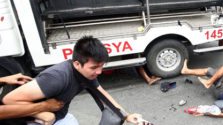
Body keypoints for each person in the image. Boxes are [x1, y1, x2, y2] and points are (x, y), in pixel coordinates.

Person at [3, 36, 146, 125]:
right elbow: (9, 100)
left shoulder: (86, 74)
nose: (99, 72)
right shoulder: (57, 78)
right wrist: (42, 112)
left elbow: (103, 95)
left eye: (102, 66)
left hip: (61, 118)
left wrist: (126, 115)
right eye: (94, 67)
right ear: (77, 64)